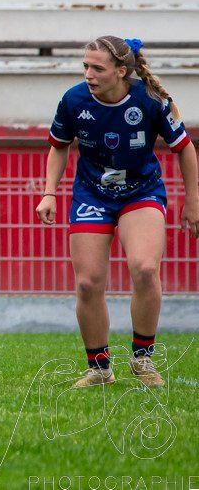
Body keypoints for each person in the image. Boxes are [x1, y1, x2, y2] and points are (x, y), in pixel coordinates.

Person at [36, 36, 198, 389]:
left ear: (121, 71)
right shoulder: (73, 100)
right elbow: (58, 147)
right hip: (92, 194)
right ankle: (99, 368)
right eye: (85, 66)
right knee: (88, 282)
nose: (88, 74)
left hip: (141, 192)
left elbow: (185, 149)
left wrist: (193, 200)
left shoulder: (152, 100)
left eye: (97, 68)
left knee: (144, 268)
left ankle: (142, 359)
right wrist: (49, 193)